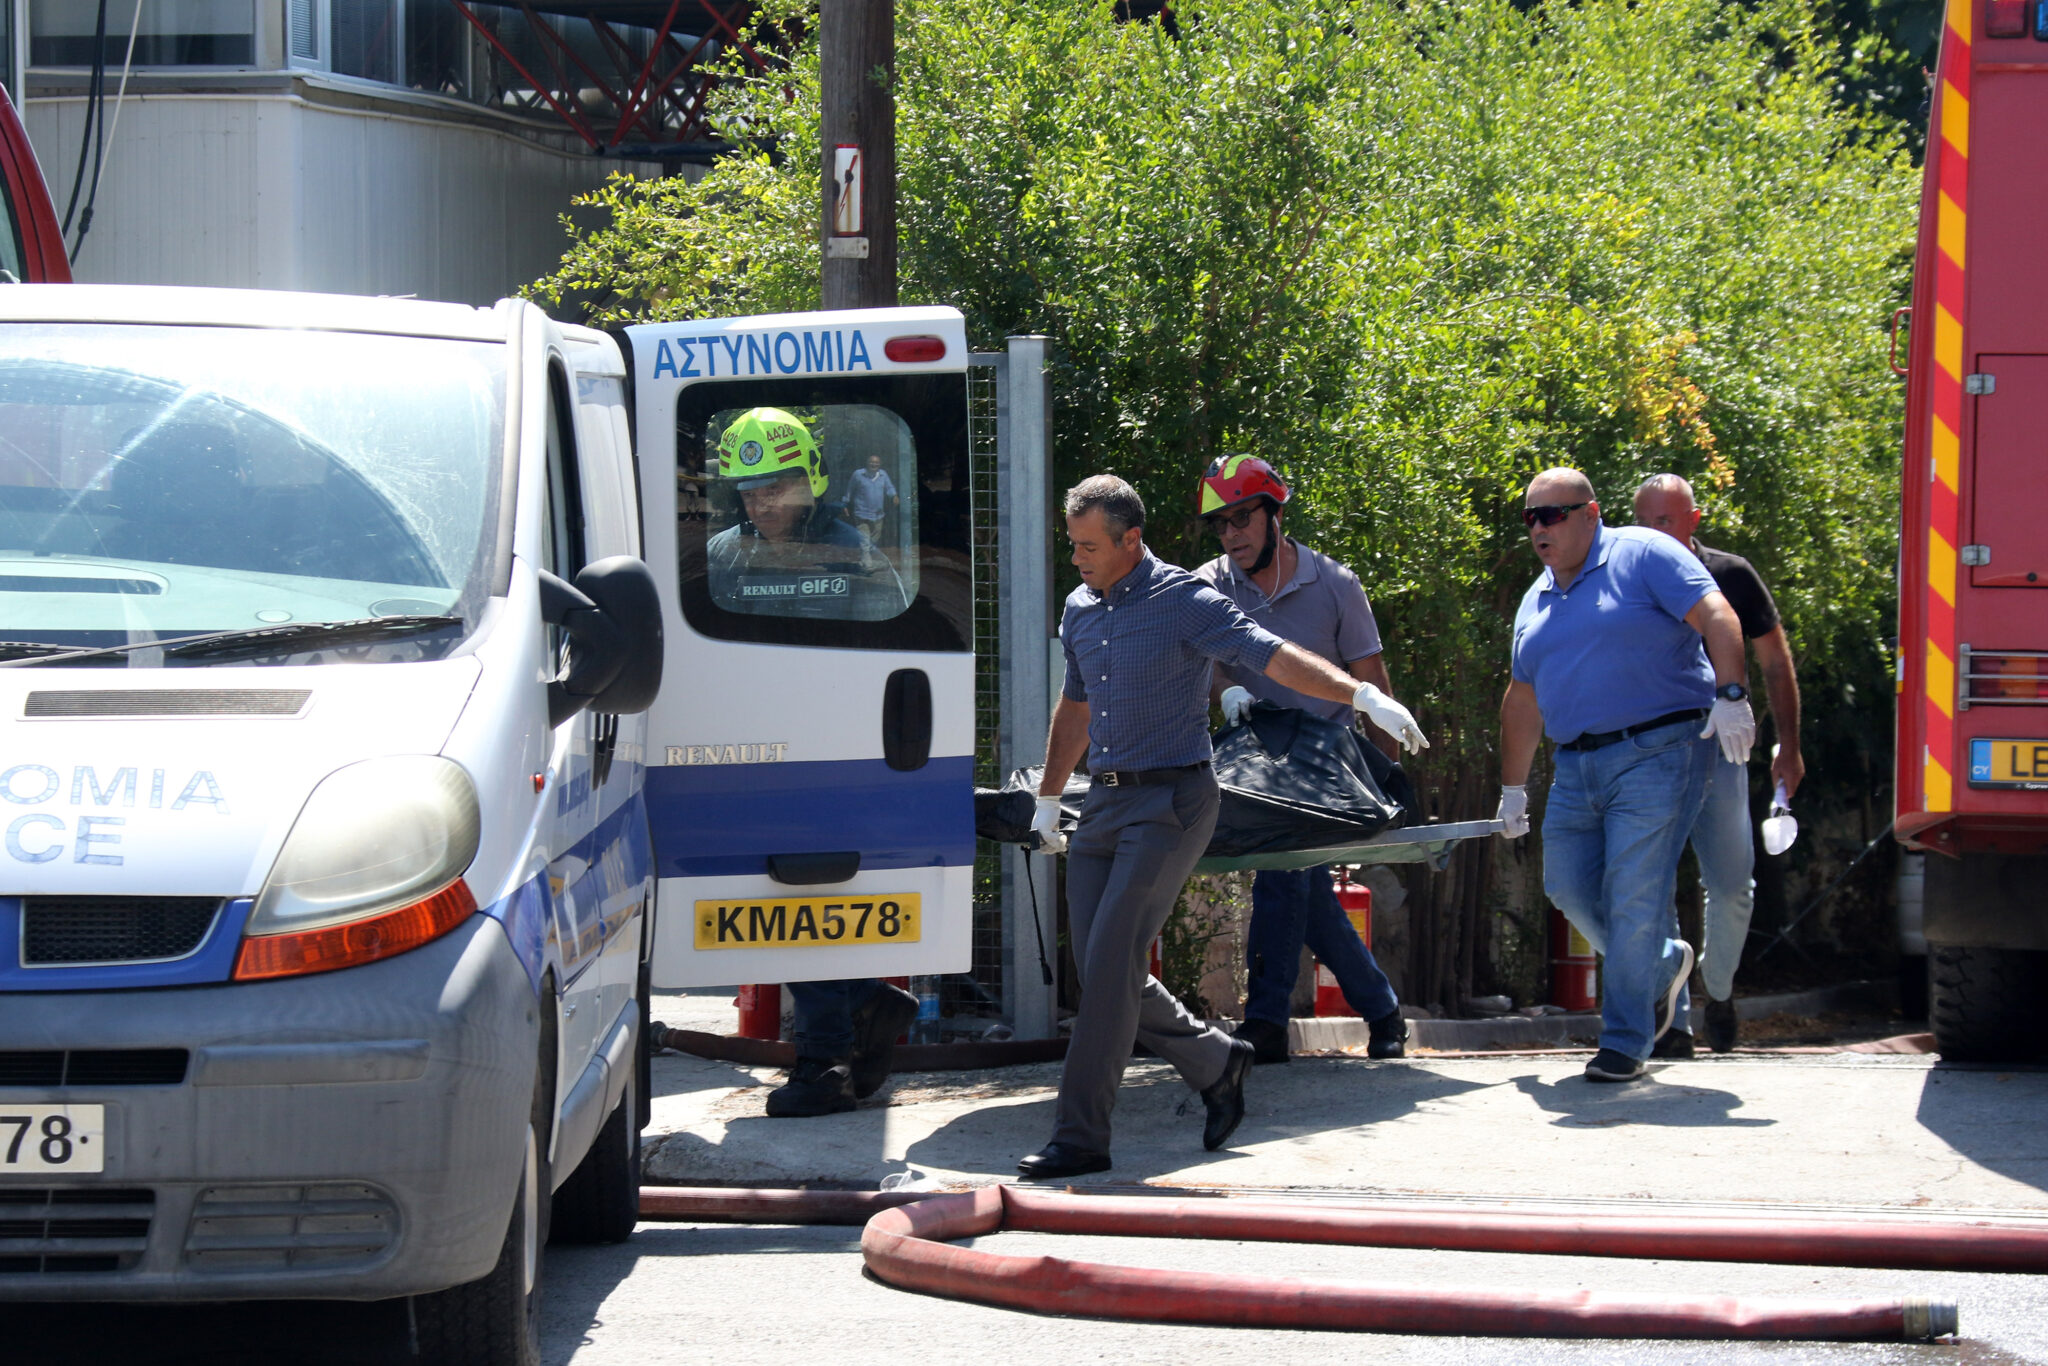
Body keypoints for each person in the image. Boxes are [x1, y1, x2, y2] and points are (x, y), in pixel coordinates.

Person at [1018, 475, 1429, 1179]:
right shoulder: (1082, 608)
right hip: (1106, 804)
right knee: (1101, 969)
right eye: (1073, 544)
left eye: (1090, 546)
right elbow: (1075, 708)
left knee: (1114, 962)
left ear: (1130, 540)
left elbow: (1271, 653)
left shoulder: (1181, 599)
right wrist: (1050, 800)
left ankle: (1080, 1135)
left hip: (1172, 803)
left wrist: (1361, 694)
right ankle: (1217, 1061)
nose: (1079, 558)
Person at [1495, 468, 1755, 1084]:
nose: (1539, 528)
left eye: (1552, 514)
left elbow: (1717, 614)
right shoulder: (1536, 599)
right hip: (1576, 765)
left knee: (1634, 893)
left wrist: (1733, 694)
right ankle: (1664, 967)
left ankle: (1627, 1041)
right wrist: (1510, 788)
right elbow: (1522, 697)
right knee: (1565, 887)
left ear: (1591, 513)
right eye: (1530, 517)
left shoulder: (1644, 553)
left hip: (1661, 750)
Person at [701, 406, 921, 1116]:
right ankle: (864, 1008)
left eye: (775, 486)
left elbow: (896, 641)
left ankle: (823, 1062)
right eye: (748, 489)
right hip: (753, 756)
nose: (759, 501)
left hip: (836, 754)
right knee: (772, 906)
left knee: (801, 902)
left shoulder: (852, 551)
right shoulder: (723, 555)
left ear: (811, 481)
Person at [1190, 454, 1420, 1064]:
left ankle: (1266, 1022)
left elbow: (1372, 684)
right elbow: (1195, 659)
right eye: (1221, 524)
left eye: (1242, 518)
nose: (1232, 535)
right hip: (1256, 769)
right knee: (1298, 885)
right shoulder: (1208, 586)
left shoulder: (1335, 586)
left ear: (1274, 515)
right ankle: (1382, 1011)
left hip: (1330, 775)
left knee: (1284, 877)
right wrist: (1224, 688)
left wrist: (1386, 789)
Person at [1635, 473, 1803, 1054]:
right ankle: (1674, 1021)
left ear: (1693, 521)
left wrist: (1791, 747)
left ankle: (1720, 989)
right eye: (1645, 521)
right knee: (1648, 885)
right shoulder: (1627, 578)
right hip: (1647, 751)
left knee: (1732, 885)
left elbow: (1776, 664)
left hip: (1721, 746)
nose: (1655, 532)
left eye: (1667, 521)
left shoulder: (1729, 575)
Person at [705, 406, 909, 621]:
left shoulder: (856, 554)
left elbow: (887, 643)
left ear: (808, 484)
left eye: (774, 491)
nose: (760, 508)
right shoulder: (720, 553)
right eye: (749, 494)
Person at [847, 451, 900, 551]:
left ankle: (866, 556)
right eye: (871, 462)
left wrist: (894, 496)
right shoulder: (858, 474)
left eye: (876, 463)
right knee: (865, 539)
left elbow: (889, 487)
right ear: (867, 463)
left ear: (880, 464)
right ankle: (867, 563)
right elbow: (850, 489)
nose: (874, 464)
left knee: (874, 538)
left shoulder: (883, 475)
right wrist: (845, 503)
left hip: (878, 514)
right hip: (861, 513)